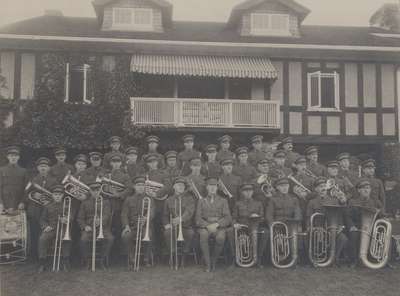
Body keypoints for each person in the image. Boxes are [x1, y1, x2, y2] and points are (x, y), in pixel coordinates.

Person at [306, 177, 348, 266]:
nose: (323, 188)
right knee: (316, 236)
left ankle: (334, 259)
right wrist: (312, 228)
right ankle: (316, 259)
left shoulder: (334, 200)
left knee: (343, 238)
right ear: (316, 189)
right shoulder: (312, 202)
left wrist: (340, 226)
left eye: (324, 186)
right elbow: (308, 218)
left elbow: (339, 215)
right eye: (320, 186)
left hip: (331, 227)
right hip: (318, 227)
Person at [196, 177, 232, 272]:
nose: (212, 188)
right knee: (203, 235)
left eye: (214, 186)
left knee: (220, 238)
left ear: (217, 188)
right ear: (206, 188)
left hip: (219, 227)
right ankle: (208, 264)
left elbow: (228, 218)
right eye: (210, 186)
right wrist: (207, 225)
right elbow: (198, 218)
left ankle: (214, 261)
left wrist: (217, 224)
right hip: (205, 227)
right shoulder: (201, 201)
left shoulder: (223, 201)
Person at [346, 179, 383, 268]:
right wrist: (351, 226)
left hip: (371, 227)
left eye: (368, 188)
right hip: (357, 226)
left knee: (381, 234)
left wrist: (381, 216)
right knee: (353, 235)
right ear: (359, 190)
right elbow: (347, 216)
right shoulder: (352, 201)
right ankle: (354, 261)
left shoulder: (375, 202)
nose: (366, 190)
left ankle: (378, 258)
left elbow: (381, 215)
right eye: (364, 188)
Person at [265, 177, 302, 266]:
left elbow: (298, 213)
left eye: (286, 185)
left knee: (297, 235)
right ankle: (280, 257)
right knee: (278, 239)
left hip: (291, 225)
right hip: (278, 226)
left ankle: (294, 258)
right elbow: (269, 215)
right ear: (277, 187)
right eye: (282, 186)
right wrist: (272, 226)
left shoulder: (294, 199)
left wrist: (298, 224)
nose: (285, 188)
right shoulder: (272, 199)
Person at [78, 181, 114, 270]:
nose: (95, 192)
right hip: (89, 228)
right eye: (93, 191)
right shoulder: (85, 203)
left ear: (100, 191)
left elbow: (107, 215)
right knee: (83, 240)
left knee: (110, 239)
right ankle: (88, 261)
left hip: (102, 227)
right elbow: (80, 218)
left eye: (97, 190)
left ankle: (102, 260)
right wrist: (85, 226)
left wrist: (100, 221)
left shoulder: (106, 202)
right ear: (90, 191)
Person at [27, 157, 57, 260]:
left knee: (45, 232)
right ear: (37, 168)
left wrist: (50, 200)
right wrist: (34, 194)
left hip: (47, 211)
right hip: (35, 210)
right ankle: (35, 255)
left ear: (49, 168)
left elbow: (57, 194)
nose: (43, 168)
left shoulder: (54, 180)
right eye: (41, 166)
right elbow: (26, 193)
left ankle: (46, 255)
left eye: (45, 166)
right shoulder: (33, 179)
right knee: (35, 232)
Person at [121, 176, 155, 268]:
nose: (140, 187)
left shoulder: (150, 198)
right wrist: (126, 226)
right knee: (125, 236)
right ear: (134, 187)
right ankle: (132, 257)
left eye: (142, 185)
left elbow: (152, 212)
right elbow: (124, 214)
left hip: (145, 226)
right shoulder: (128, 199)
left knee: (148, 235)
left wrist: (146, 219)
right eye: (138, 185)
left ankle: (146, 258)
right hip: (132, 227)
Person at [37, 185, 72, 272]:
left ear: (62, 196)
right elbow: (42, 219)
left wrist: (66, 219)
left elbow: (71, 217)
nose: (57, 196)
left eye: (59, 194)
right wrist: (45, 226)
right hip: (51, 229)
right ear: (52, 195)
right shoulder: (48, 206)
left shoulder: (67, 205)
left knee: (65, 239)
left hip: (62, 229)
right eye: (56, 194)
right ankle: (42, 262)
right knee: (42, 239)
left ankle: (65, 262)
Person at [232, 183, 267, 268]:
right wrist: (235, 224)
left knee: (266, 232)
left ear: (252, 192)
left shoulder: (258, 203)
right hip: (242, 227)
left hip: (255, 226)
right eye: (246, 191)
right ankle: (235, 259)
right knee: (230, 232)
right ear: (242, 192)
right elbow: (233, 218)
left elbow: (263, 218)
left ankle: (258, 259)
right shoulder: (238, 204)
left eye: (250, 191)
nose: (248, 193)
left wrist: (257, 217)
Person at [163, 177, 196, 267]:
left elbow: (190, 212)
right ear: (174, 187)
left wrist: (180, 219)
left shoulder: (190, 199)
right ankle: (173, 255)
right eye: (178, 185)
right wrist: (166, 224)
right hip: (173, 226)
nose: (181, 187)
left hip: (186, 226)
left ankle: (184, 257)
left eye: (183, 186)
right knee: (167, 233)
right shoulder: (168, 200)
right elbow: (165, 215)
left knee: (190, 234)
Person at [0, 146, 28, 213]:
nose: (13, 157)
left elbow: (26, 188)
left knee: (19, 223)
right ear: (8, 157)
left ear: (18, 157)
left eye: (15, 156)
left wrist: (23, 202)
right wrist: (0, 203)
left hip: (18, 203)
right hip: (5, 203)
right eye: (11, 156)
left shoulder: (23, 171)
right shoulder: (2, 170)